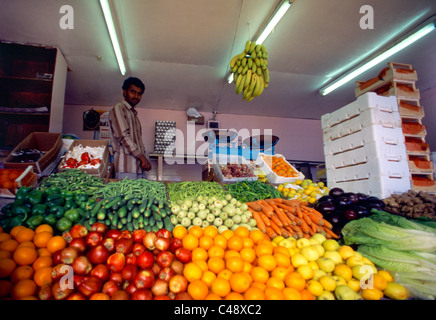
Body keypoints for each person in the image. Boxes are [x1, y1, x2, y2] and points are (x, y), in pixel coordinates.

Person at [109, 77, 152, 179]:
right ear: (124, 92)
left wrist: (143, 159)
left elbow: (137, 143)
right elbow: (123, 137)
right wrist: (142, 158)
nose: (136, 96)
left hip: (137, 168)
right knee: (126, 195)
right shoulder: (118, 108)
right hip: (125, 168)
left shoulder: (133, 115)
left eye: (139, 94)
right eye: (133, 92)